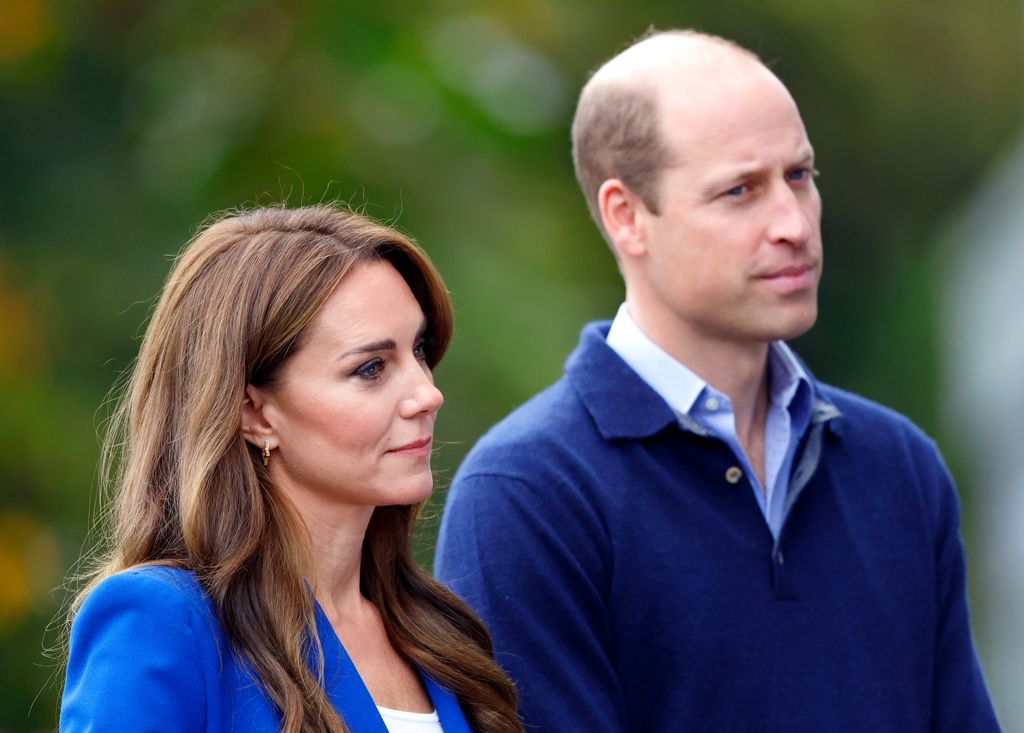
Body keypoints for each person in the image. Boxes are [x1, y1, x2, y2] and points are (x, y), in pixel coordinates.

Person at [434, 29, 1000, 732]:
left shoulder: (900, 467)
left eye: (799, 176)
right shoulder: (528, 496)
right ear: (626, 216)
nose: (793, 223)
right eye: (740, 191)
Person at [60, 205, 523, 733]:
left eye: (419, 351)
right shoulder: (164, 623)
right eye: (370, 368)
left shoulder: (439, 633)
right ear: (254, 413)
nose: (427, 393)